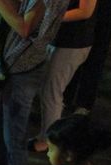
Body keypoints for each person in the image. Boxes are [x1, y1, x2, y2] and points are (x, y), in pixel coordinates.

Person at [0, 0, 69, 165]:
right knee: (1, 129)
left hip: (23, 67)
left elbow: (25, 27)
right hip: (18, 65)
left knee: (13, 137)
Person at [29, 0, 97, 153]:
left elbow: (85, 12)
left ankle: (49, 141)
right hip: (60, 39)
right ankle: (48, 136)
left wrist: (51, 18)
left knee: (51, 92)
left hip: (72, 41)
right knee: (49, 90)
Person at [63, 0, 111, 116]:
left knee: (95, 57)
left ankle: (83, 103)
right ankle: (66, 97)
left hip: (103, 12)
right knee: (73, 50)